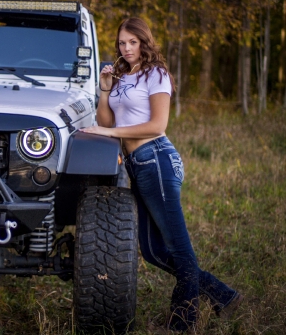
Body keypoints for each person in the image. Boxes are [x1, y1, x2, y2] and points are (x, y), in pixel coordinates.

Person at [80, 17, 243, 332]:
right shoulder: (122, 76)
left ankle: (183, 323)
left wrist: (108, 133)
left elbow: (157, 126)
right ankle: (224, 296)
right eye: (122, 43)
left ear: (144, 42)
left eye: (133, 42)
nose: (126, 48)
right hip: (135, 165)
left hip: (156, 159)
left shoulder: (156, 75)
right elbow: (108, 121)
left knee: (178, 248)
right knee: (154, 251)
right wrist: (104, 91)